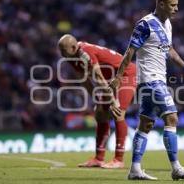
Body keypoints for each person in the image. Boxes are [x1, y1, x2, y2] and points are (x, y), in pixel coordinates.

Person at [109, 0, 184, 180]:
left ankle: (135, 169)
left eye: (177, 5)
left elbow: (170, 51)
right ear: (161, 4)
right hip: (150, 80)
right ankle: (176, 168)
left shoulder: (167, 24)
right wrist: (118, 77)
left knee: (146, 124)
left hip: (157, 79)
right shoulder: (145, 24)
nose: (176, 8)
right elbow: (129, 53)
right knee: (172, 117)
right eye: (173, 5)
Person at [58, 34, 136, 169]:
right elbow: (84, 80)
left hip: (125, 74)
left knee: (118, 112)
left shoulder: (85, 53)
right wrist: (96, 100)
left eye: (63, 50)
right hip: (110, 78)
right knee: (100, 113)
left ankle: (119, 159)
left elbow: (99, 78)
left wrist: (112, 101)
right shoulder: (71, 56)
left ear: (73, 47)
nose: (61, 54)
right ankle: (98, 159)